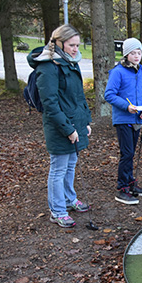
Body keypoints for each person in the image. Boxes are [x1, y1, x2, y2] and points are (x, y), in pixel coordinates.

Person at [27, 24, 92, 228]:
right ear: (59, 43)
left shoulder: (71, 62)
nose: (76, 49)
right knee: (58, 168)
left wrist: (85, 122)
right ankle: (57, 210)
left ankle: (69, 199)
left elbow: (78, 96)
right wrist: (68, 129)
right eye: (72, 45)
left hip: (74, 123)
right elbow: (51, 105)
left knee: (71, 163)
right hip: (59, 127)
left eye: (78, 45)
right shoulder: (47, 67)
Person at [104, 38, 142, 205]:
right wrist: (127, 107)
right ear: (126, 54)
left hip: (137, 119)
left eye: (139, 53)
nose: (137, 56)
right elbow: (109, 94)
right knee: (127, 153)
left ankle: (131, 182)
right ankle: (122, 188)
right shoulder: (118, 72)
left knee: (132, 152)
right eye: (133, 53)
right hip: (124, 118)